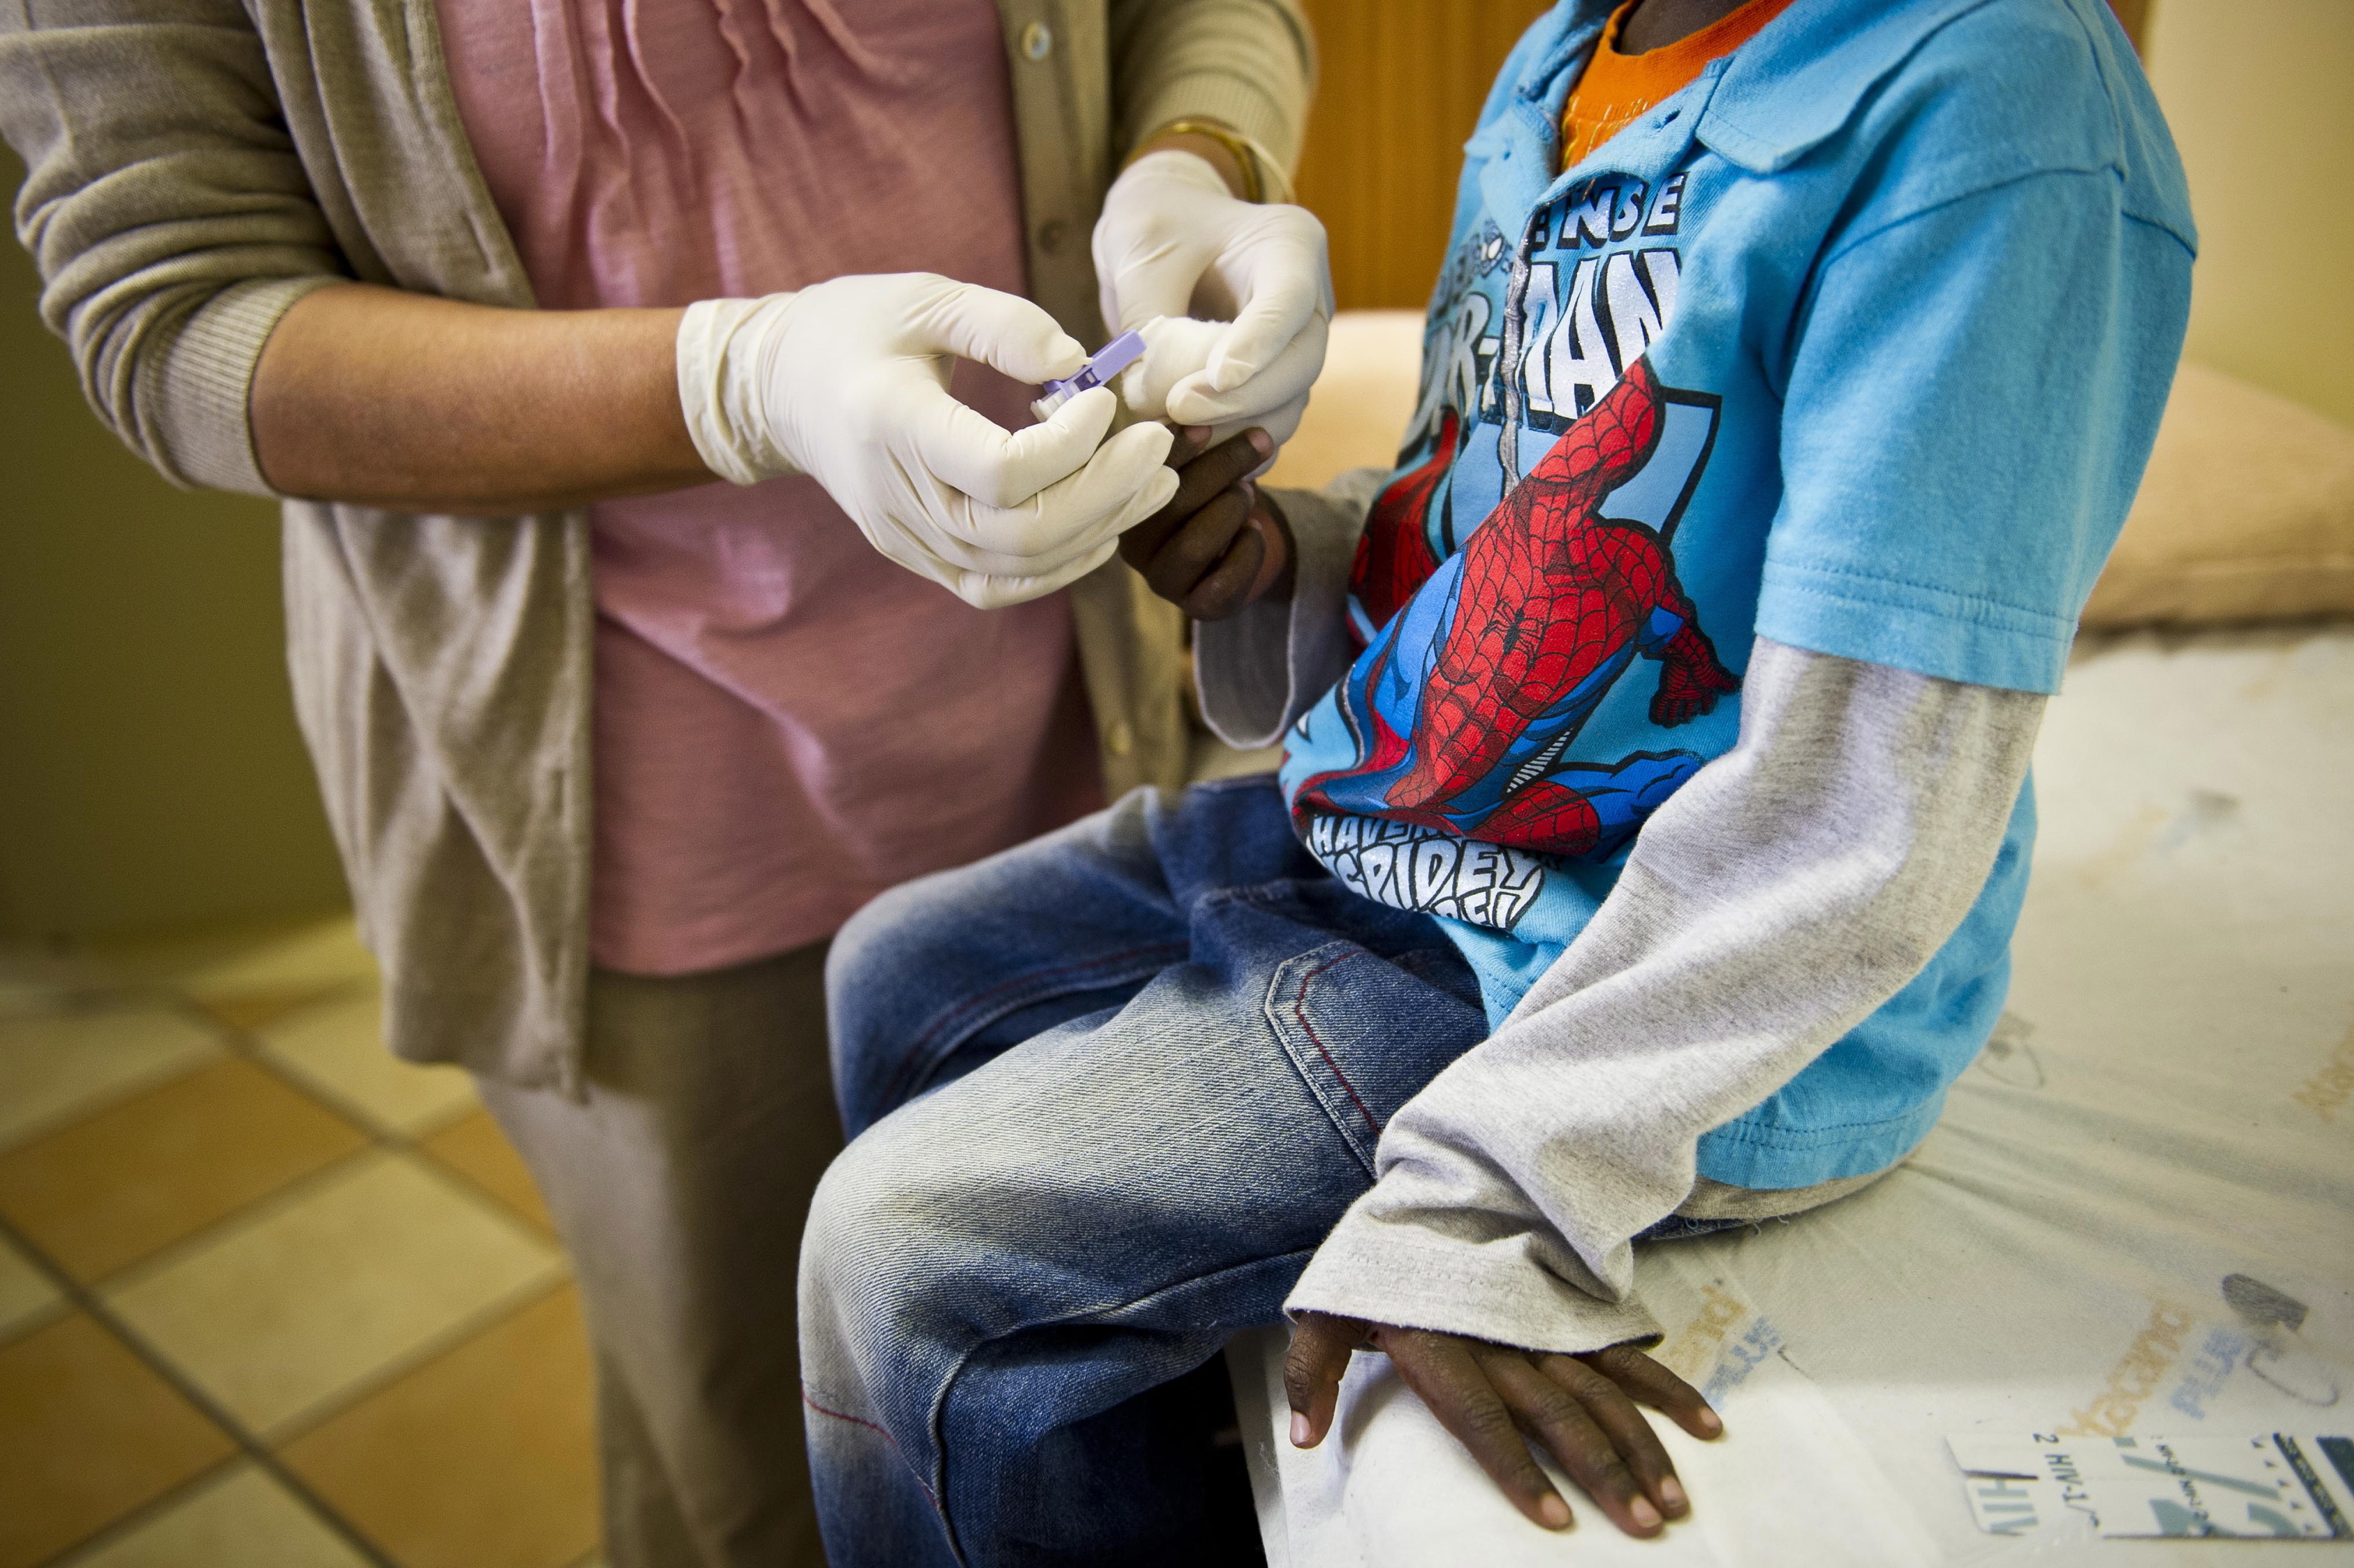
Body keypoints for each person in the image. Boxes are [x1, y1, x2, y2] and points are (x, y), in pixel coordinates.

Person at [799, 0, 2195, 1560]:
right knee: (896, 974)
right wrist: (1288, 563)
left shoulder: (1995, 113)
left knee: (908, 1249)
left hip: (1612, 954)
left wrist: (1497, 1193)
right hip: (1414, 828)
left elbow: (1865, 800)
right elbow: (1481, 515)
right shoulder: (1560, 63)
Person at [0, 4, 1322, 1565]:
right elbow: (170, 315)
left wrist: (1197, 162)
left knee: (1090, 1443)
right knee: (763, 1471)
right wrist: (732, 380)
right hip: (657, 831)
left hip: (1080, 736)